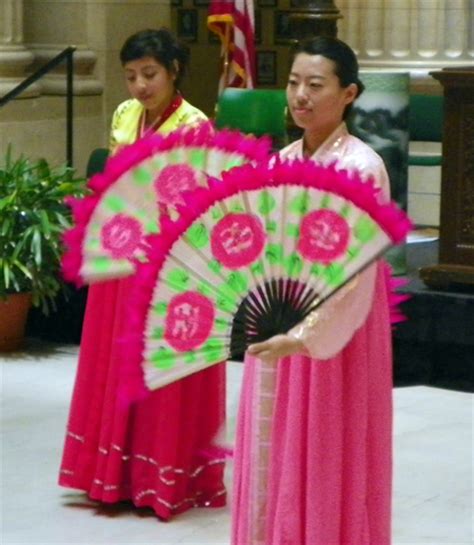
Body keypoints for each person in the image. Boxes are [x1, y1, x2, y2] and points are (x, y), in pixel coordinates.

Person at [59, 28, 226, 520]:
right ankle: (112, 472)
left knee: (158, 377)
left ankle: (160, 477)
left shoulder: (195, 126)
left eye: (149, 74)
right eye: (131, 76)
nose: (139, 86)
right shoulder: (124, 115)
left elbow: (196, 205)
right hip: (120, 262)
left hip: (168, 265)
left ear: (174, 71)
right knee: (114, 366)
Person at [231, 36, 393, 545]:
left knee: (325, 442)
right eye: (294, 83)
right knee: (270, 445)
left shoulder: (362, 168)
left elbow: (356, 271)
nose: (300, 95)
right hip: (277, 317)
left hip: (337, 328)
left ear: (348, 94)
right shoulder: (280, 162)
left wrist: (304, 336)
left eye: (315, 85)